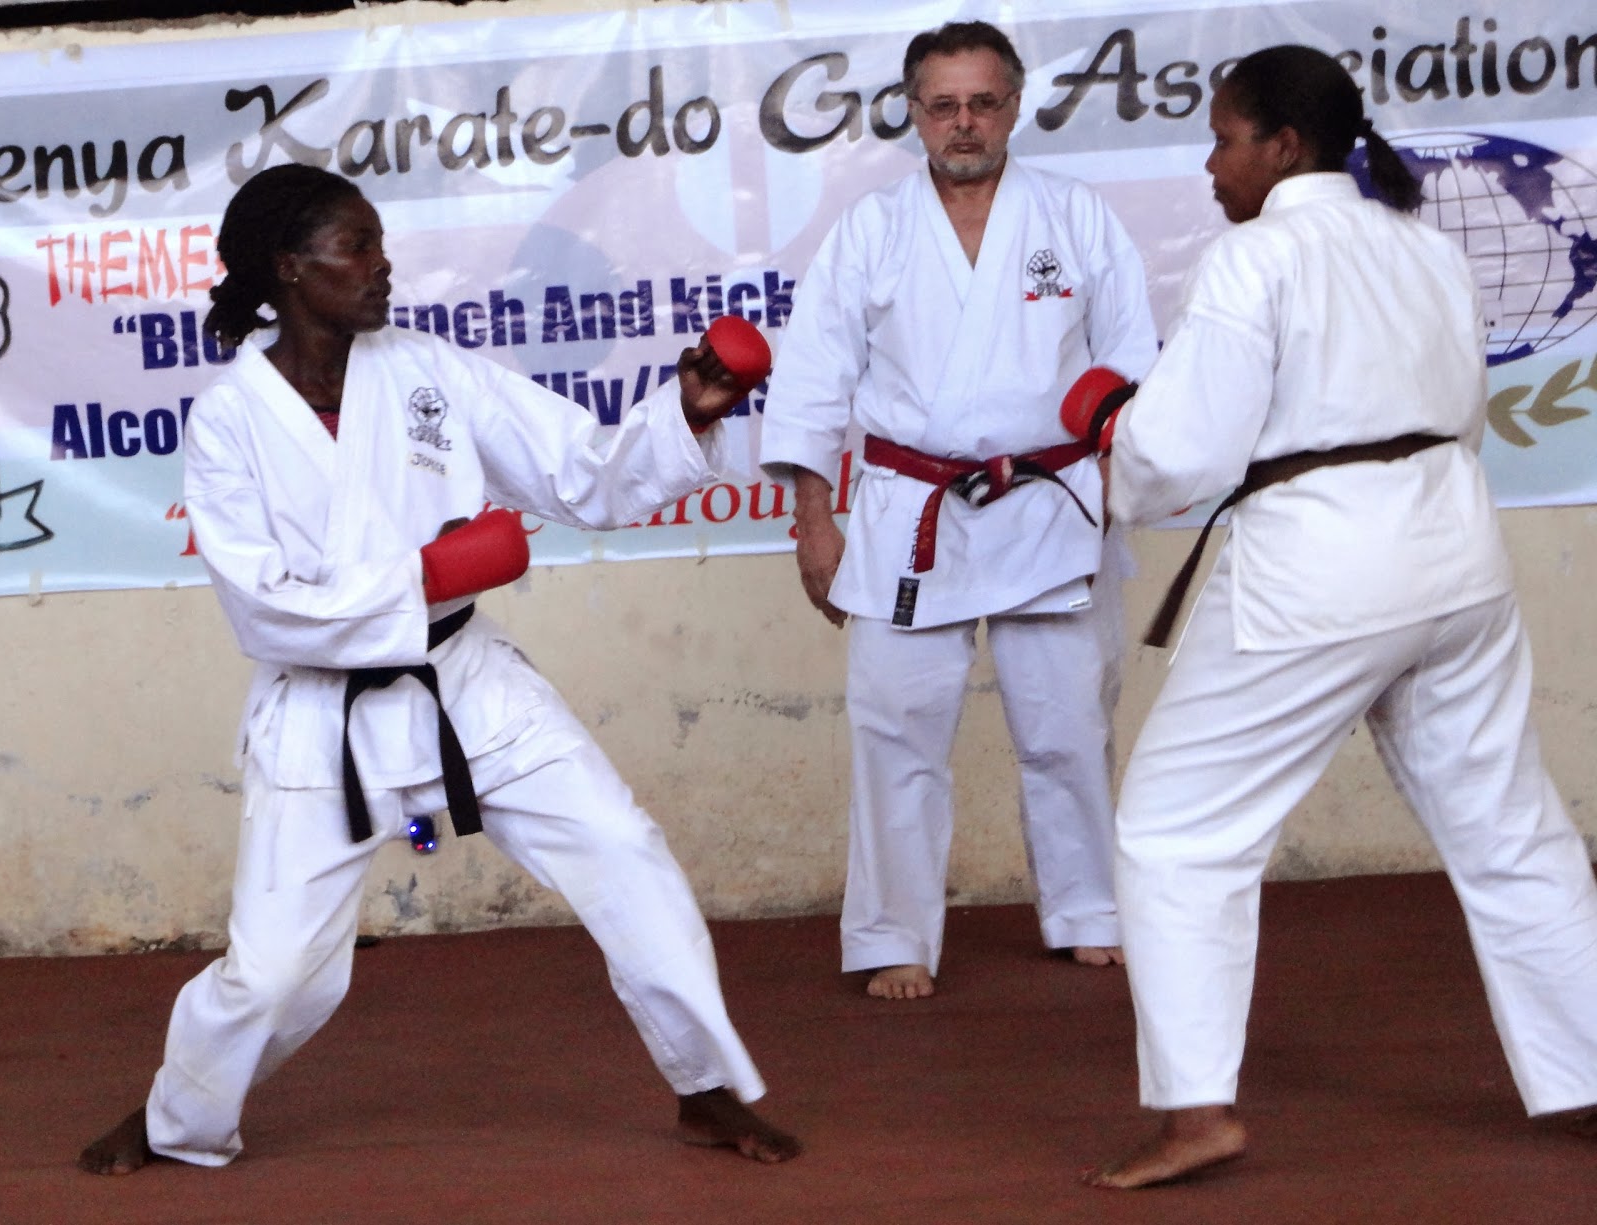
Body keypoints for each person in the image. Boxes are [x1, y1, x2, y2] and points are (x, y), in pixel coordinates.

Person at [78, 163, 801, 1174]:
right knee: (280, 975)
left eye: (380, 243)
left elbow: (577, 471)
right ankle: (176, 1118)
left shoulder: (429, 371)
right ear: (289, 269)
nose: (383, 266)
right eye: (357, 248)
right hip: (322, 716)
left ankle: (707, 1088)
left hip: (466, 684)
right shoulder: (228, 422)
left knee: (622, 848)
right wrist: (423, 570)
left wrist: (686, 409)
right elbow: (264, 601)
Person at [1075, 45, 1597, 1188]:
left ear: (1284, 146)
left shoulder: (1251, 257)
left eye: (1223, 139)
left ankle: (1197, 1112)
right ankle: (1591, 1074)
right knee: (1511, 828)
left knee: (1176, 831)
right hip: (1455, 561)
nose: (1211, 165)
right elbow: (1459, 404)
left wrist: (1120, 442)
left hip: (1320, 574)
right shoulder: (1426, 251)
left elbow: (1178, 453)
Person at [759, 20, 1158, 1000]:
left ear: (1015, 105)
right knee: (895, 729)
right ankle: (893, 931)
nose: (964, 121)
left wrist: (1116, 486)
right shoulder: (870, 230)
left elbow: (1132, 365)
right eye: (944, 104)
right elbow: (812, 379)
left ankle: (1087, 910)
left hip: (1051, 504)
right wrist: (817, 520)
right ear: (913, 113)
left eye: (983, 101)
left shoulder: (1075, 218)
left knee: (1068, 724)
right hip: (909, 509)